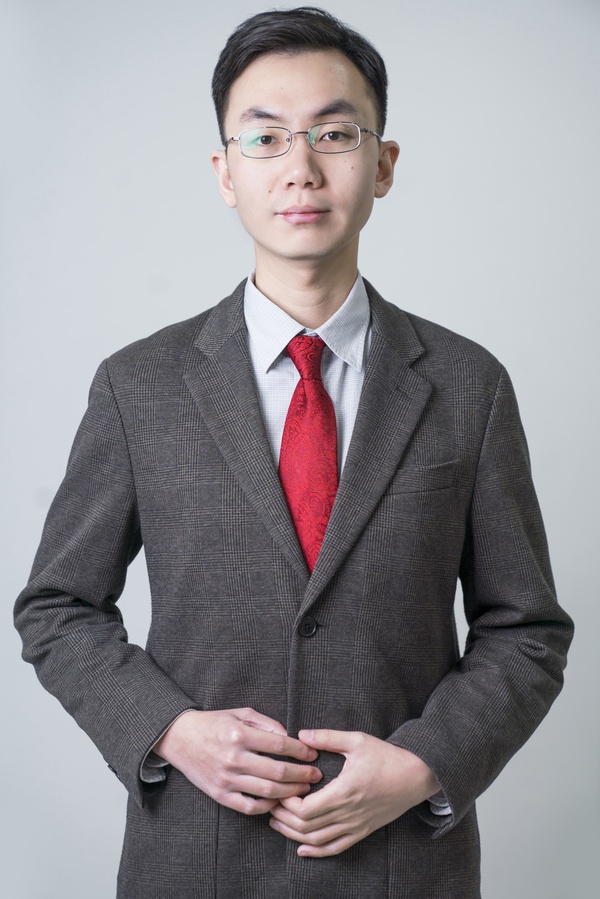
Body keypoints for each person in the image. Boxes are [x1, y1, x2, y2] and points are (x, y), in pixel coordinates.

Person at [14, 7, 573, 898]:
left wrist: (426, 763)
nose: (301, 167)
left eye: (335, 133)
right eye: (265, 136)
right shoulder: (139, 385)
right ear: (225, 171)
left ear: (383, 163)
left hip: (402, 865)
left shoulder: (470, 386)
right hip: (195, 861)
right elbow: (56, 605)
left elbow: (527, 629)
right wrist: (172, 729)